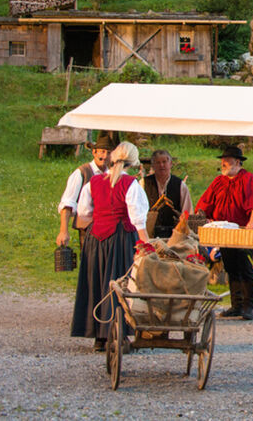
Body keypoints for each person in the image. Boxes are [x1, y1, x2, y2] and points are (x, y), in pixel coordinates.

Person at [70, 141, 149, 352]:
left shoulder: (93, 183)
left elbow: (84, 213)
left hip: (95, 239)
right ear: (133, 161)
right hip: (121, 238)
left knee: (97, 282)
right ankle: (117, 333)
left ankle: (99, 336)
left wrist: (101, 219)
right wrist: (146, 244)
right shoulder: (131, 184)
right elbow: (138, 218)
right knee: (119, 284)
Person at [195, 146, 253, 321]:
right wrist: (203, 217)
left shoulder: (248, 179)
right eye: (222, 161)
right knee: (231, 267)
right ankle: (236, 305)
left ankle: (248, 306)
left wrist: (252, 222)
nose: (223, 164)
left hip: (242, 230)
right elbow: (206, 201)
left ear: (237, 162)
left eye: (226, 161)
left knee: (244, 267)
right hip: (224, 232)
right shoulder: (219, 181)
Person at [56, 130, 120, 250]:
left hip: (111, 231)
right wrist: (63, 231)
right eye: (102, 151)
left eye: (109, 152)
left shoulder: (113, 174)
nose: (105, 156)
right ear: (94, 152)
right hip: (88, 230)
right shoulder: (82, 172)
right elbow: (68, 203)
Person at [142, 149, 192, 239]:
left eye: (164, 162)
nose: (161, 165)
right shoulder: (143, 183)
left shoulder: (180, 185)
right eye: (158, 162)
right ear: (153, 166)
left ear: (170, 164)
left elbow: (187, 211)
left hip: (174, 234)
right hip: (149, 234)